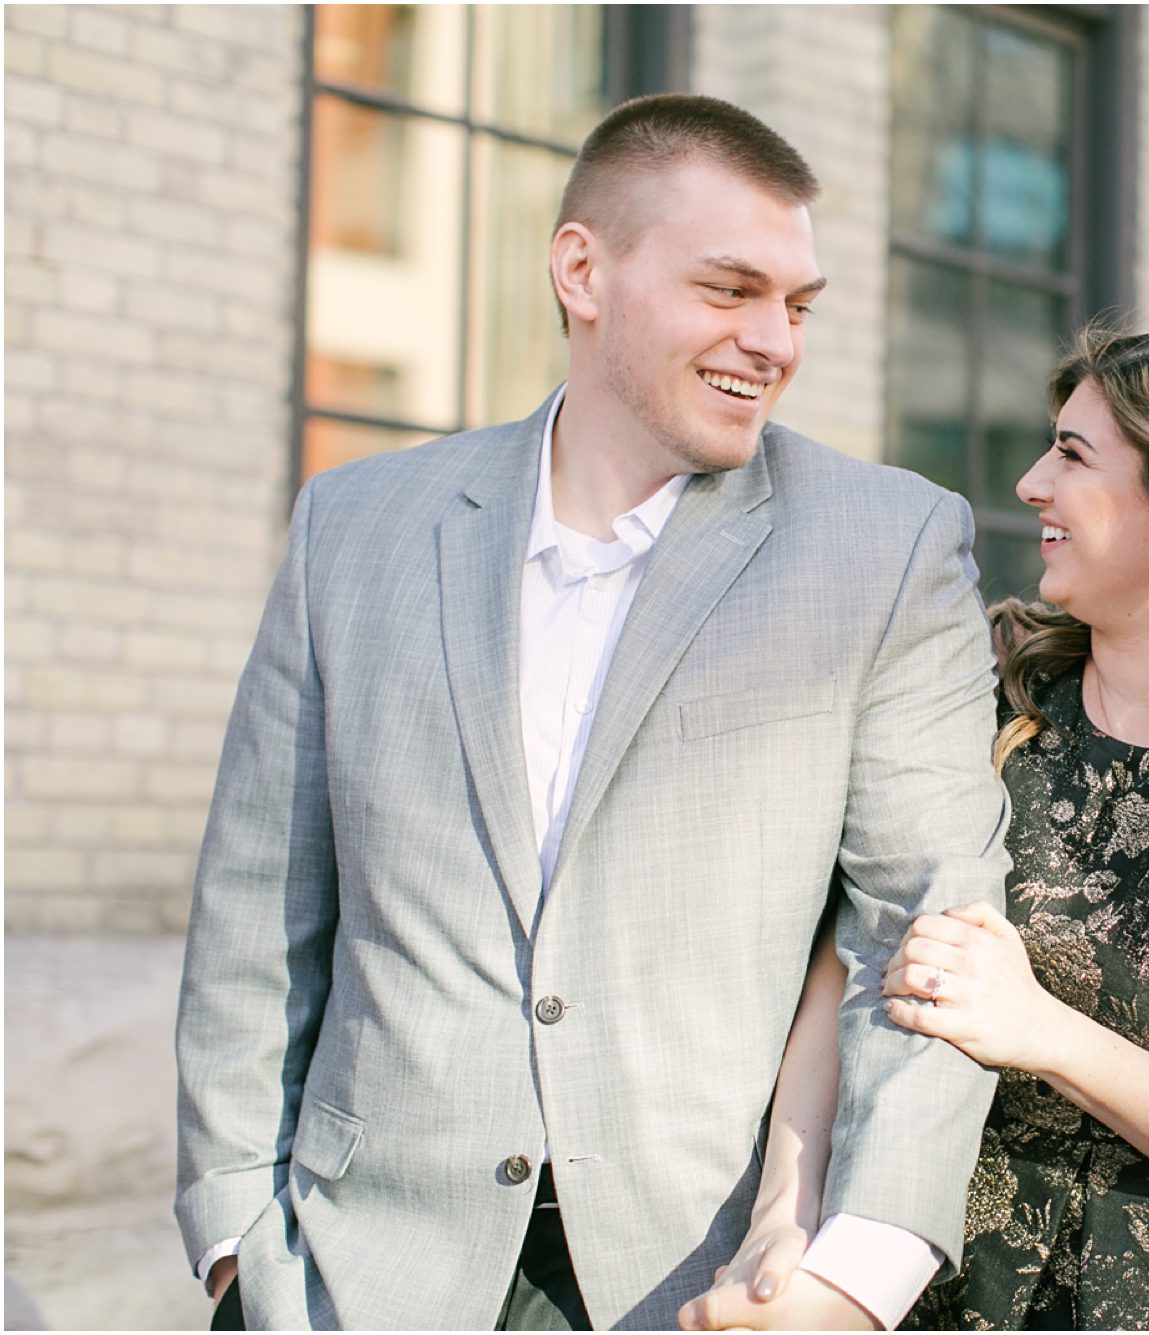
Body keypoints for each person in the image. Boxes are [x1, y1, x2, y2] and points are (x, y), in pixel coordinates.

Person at [174, 94, 1010, 1330]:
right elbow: (259, 911)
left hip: (695, 1282)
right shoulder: (353, 526)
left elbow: (924, 932)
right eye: (729, 290)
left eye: (797, 305)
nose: (772, 341)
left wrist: (853, 1281)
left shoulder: (888, 546)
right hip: (354, 1278)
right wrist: (240, 1249)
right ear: (581, 270)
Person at [684, 329, 1149, 1331]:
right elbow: (855, 967)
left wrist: (1040, 1030)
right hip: (887, 1269)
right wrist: (785, 1221)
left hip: (1134, 1295)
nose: (1031, 483)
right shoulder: (982, 697)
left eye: (1072, 455)